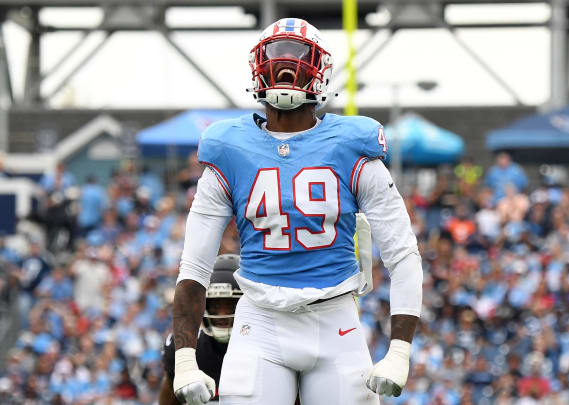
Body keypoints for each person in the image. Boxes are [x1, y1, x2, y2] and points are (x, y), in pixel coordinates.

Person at [171, 18, 422, 405]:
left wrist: (401, 349)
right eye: (276, 54)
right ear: (258, 65)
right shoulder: (229, 147)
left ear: (320, 69)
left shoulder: (353, 146)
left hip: (335, 317)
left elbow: (402, 253)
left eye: (298, 55)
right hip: (260, 321)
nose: (286, 65)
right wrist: (185, 358)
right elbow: (194, 266)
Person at [160, 255, 243, 404]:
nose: (222, 315)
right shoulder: (185, 346)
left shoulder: (265, 345)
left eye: (230, 305)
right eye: (216, 305)